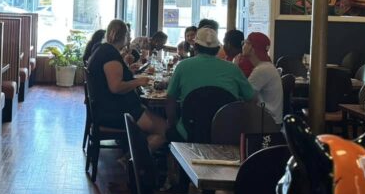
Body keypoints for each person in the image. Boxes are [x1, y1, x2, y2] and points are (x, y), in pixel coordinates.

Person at [86, 19, 168, 149]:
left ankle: (130, 157)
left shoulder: (101, 49)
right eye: (128, 34)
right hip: (116, 112)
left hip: (108, 107)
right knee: (166, 130)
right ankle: (131, 160)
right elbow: (116, 87)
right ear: (123, 36)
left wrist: (129, 71)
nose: (129, 37)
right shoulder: (109, 54)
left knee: (152, 115)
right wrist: (138, 81)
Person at [165, 27, 255, 140]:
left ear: (195, 46)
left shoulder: (182, 66)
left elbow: (170, 99)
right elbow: (251, 99)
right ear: (218, 48)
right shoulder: (233, 69)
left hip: (189, 132)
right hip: (225, 133)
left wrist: (172, 124)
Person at [243, 32, 283, 123]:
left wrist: (235, 66)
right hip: (269, 120)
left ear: (252, 48)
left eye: (246, 42)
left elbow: (246, 96)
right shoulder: (266, 66)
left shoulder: (262, 70)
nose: (243, 45)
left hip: (267, 124)